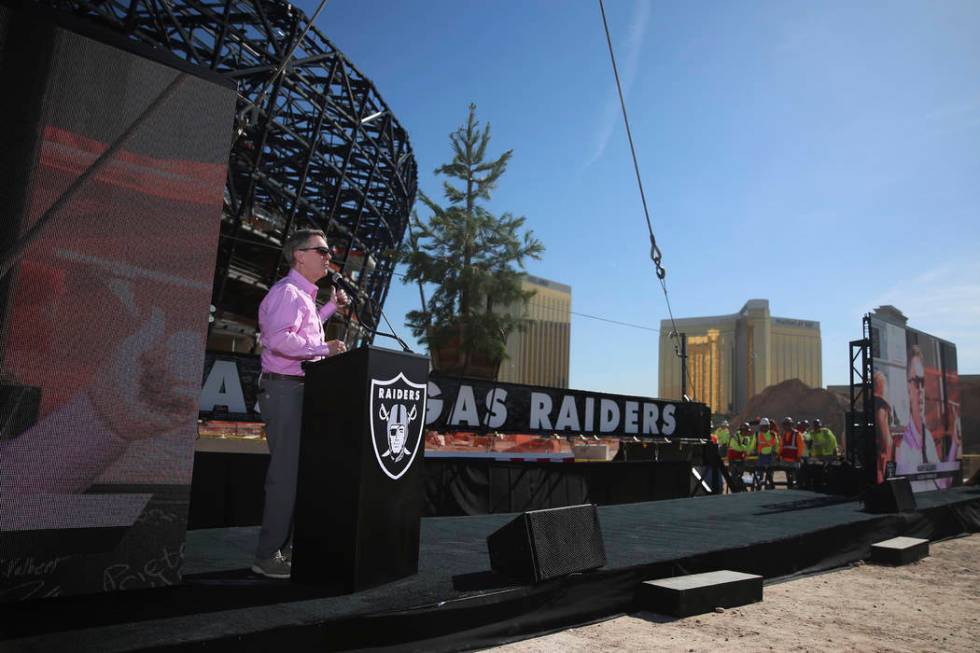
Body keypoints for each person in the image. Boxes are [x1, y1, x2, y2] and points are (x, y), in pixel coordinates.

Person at [252, 228, 349, 579]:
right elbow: (279, 341)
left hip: (297, 390)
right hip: (285, 390)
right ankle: (267, 556)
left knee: (299, 474)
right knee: (285, 476)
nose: (328, 257)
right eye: (321, 250)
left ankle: (288, 549)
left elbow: (302, 330)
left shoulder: (302, 296)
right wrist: (326, 349)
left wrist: (329, 309)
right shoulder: (288, 293)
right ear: (299, 255)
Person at [894, 345, 958, 491]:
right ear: (906, 387)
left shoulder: (926, 437)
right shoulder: (902, 443)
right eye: (916, 381)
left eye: (923, 382)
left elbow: (942, 484)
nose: (921, 390)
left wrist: (955, 443)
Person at [779, 417, 805, 488]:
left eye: (788, 424)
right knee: (788, 477)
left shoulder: (797, 434)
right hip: (785, 460)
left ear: (791, 425)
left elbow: (801, 447)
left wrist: (799, 457)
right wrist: (779, 455)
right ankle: (790, 487)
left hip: (794, 460)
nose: (786, 426)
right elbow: (781, 446)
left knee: (795, 477)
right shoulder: (784, 435)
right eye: (785, 424)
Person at [754, 418, 779, 490]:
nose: (764, 428)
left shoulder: (773, 434)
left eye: (766, 426)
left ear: (768, 426)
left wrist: (776, 453)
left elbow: (777, 445)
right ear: (760, 427)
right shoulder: (757, 435)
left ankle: (769, 486)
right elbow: (752, 445)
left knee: (770, 474)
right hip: (760, 456)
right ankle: (758, 486)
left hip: (770, 456)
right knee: (759, 473)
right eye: (763, 426)